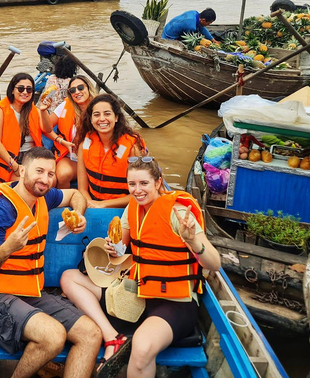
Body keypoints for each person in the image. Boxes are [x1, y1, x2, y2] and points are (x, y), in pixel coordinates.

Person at [60, 157, 221, 378]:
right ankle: (113, 338)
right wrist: (113, 248)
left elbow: (214, 263)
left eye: (144, 183)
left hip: (174, 304)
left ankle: (132, 343)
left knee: (142, 349)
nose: (137, 190)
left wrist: (193, 242)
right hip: (136, 294)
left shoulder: (179, 213)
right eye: (132, 184)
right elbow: (120, 249)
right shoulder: (132, 209)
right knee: (70, 278)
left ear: (158, 182)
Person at [0, 147, 102, 378]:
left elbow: (74, 195)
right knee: (54, 335)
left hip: (28, 290)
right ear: (22, 170)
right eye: (39, 171)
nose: (45, 179)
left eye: (51, 174)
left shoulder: (43, 196)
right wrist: (8, 247)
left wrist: (79, 213)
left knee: (91, 334)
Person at [76, 94, 147, 208]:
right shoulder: (84, 145)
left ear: (116, 117)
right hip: (93, 203)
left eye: (107, 114)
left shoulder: (133, 148)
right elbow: (82, 189)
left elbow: (142, 192)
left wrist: (103, 205)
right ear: (91, 119)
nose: (102, 119)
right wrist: (91, 204)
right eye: (96, 115)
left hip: (125, 207)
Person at [0, 73, 49, 186]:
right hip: (8, 160)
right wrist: (14, 166)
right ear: (12, 90)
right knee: (26, 184)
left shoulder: (34, 110)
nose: (25, 92)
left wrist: (44, 111)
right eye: (21, 88)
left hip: (30, 156)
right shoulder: (1, 110)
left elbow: (48, 130)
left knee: (50, 180)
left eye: (29, 90)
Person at [39, 75, 98, 188]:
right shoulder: (65, 105)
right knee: (60, 175)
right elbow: (46, 129)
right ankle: (65, 201)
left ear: (88, 88)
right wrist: (61, 141)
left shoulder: (100, 107)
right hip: (71, 158)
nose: (77, 92)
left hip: (95, 158)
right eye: (72, 90)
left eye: (81, 87)